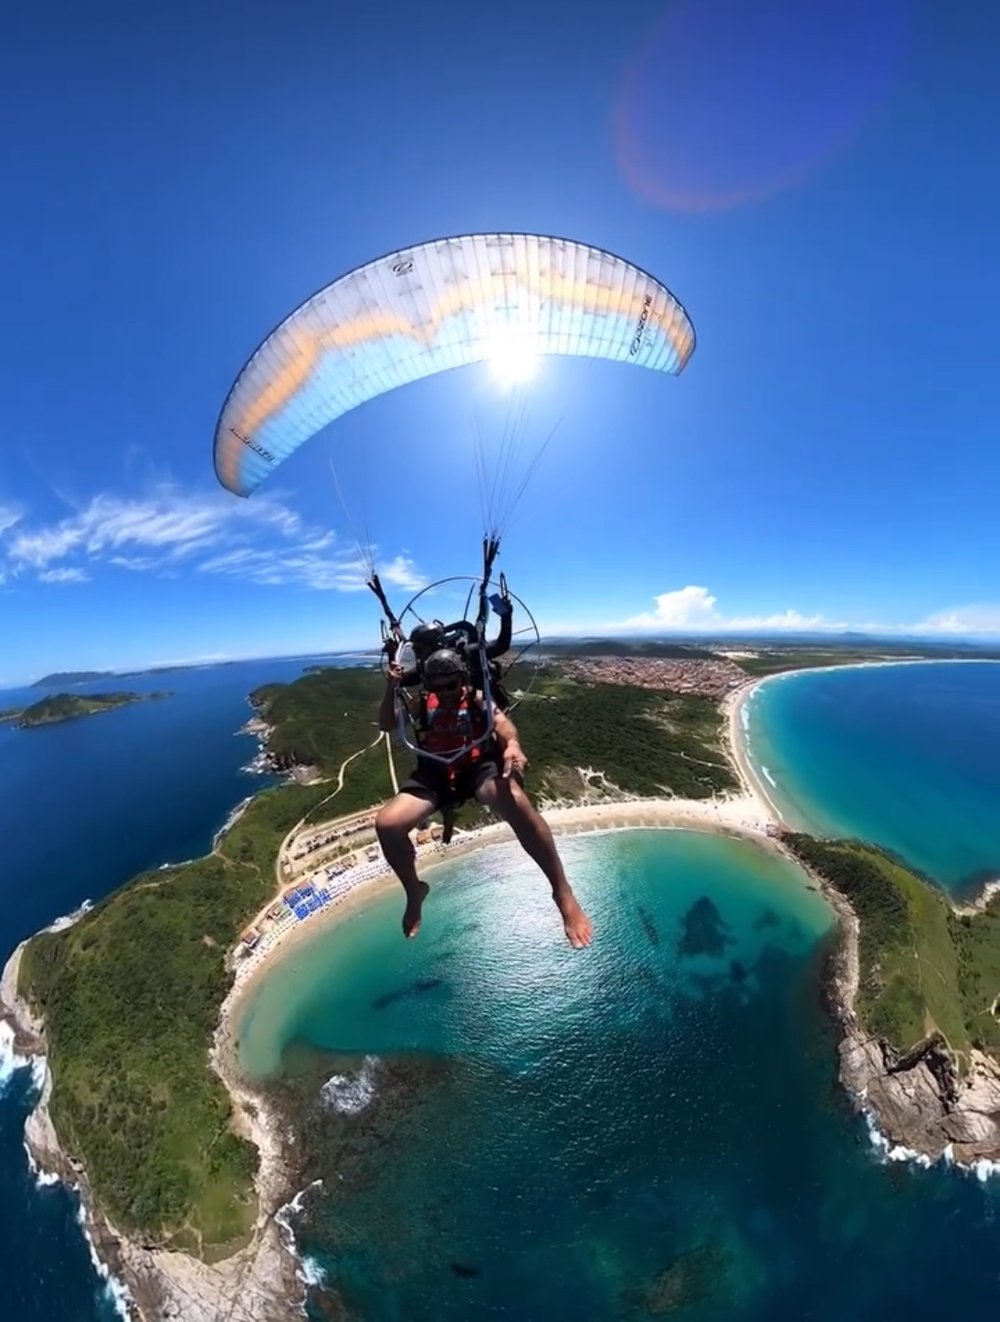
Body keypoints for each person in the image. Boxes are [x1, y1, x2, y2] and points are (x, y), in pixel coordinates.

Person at [375, 647, 593, 950]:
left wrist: (512, 745)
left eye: (451, 685)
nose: (446, 693)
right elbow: (387, 724)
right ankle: (414, 890)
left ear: (462, 679)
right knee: (387, 824)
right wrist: (391, 687)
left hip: (476, 766)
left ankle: (562, 891)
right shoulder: (425, 703)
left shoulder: (478, 697)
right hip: (436, 772)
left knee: (515, 801)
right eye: (438, 687)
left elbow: (501, 723)